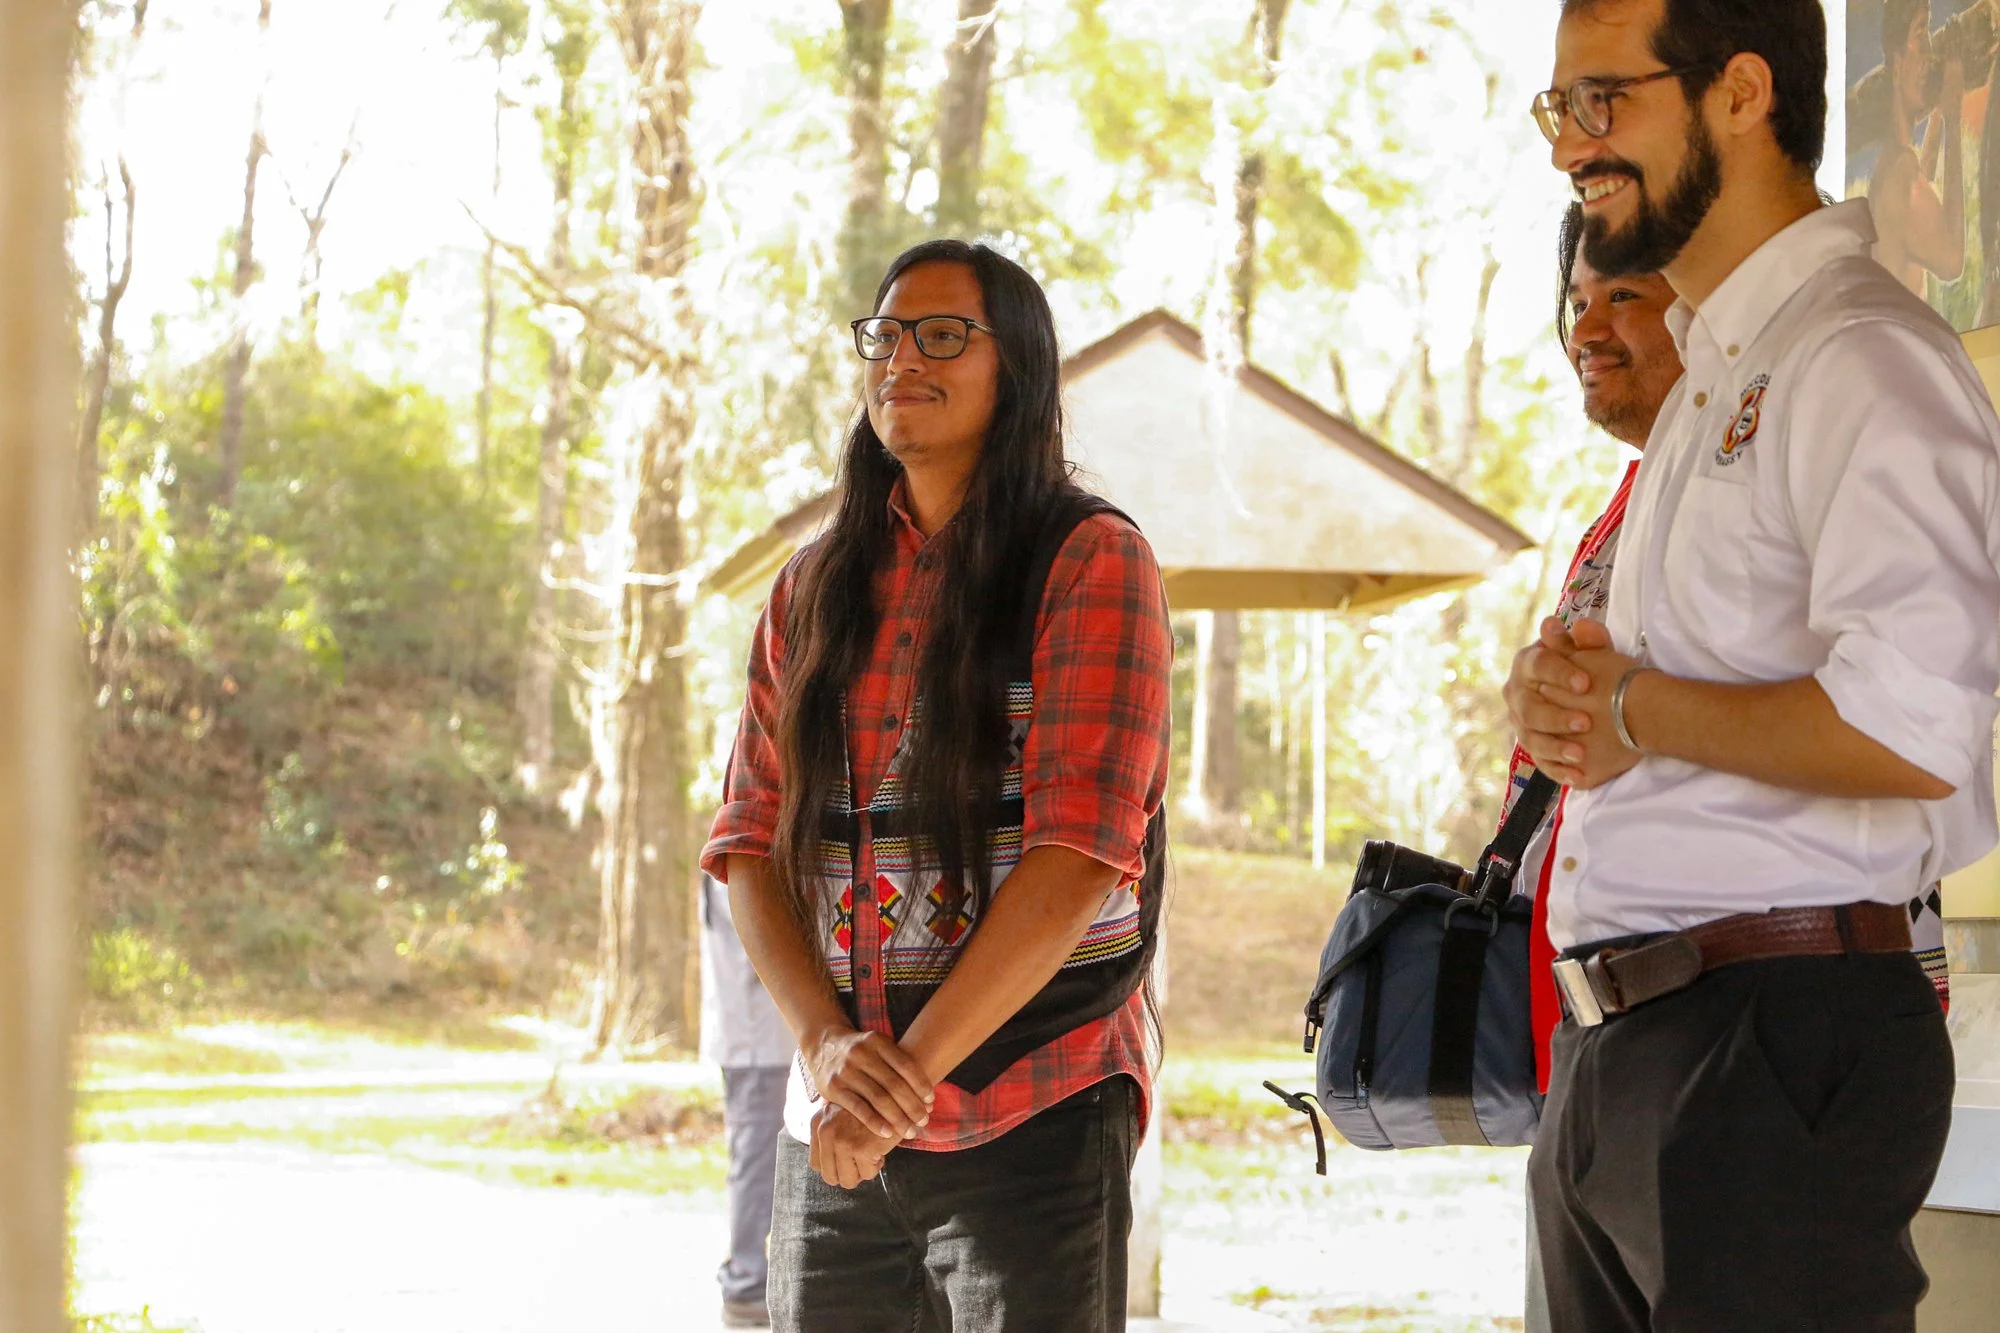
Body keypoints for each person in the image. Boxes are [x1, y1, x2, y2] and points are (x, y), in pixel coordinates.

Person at [1518, 1, 2000, 1328]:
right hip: (1633, 1045)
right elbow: (1659, 705)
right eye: (1560, 108)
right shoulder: (1715, 374)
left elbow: (1909, 731)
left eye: (1604, 100)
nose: (1572, 148)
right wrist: (1571, 699)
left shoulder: (1861, 356)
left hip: (1772, 1035)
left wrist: (1630, 706)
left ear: (1742, 91)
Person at [701, 238, 1173, 1333]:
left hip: (1035, 1100)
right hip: (838, 1127)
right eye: (885, 334)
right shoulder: (811, 587)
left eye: (944, 334)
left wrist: (902, 1076)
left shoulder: (1090, 560)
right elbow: (747, 844)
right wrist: (825, 1049)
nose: (902, 357)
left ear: (1020, 370)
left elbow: (1077, 856)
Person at [1510, 201, 1682, 1333]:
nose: (1587, 329)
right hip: (1583, 1039)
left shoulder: (1764, 476)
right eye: (1576, 302)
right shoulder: (1620, 505)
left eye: (1622, 295)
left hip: (1713, 1030)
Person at [699, 871, 793, 1329]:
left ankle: (754, 1278)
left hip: (761, 1038)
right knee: (757, 1162)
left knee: (758, 1159)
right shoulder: (739, 862)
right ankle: (746, 1283)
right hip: (760, 1041)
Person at [1871, 0, 1967, 299]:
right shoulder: (1901, 174)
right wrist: (1952, 119)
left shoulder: (1896, 161)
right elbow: (1952, 261)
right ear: (1898, 65)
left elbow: (1923, 198)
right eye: (1920, 36)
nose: (1930, 55)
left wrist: (1939, 114)